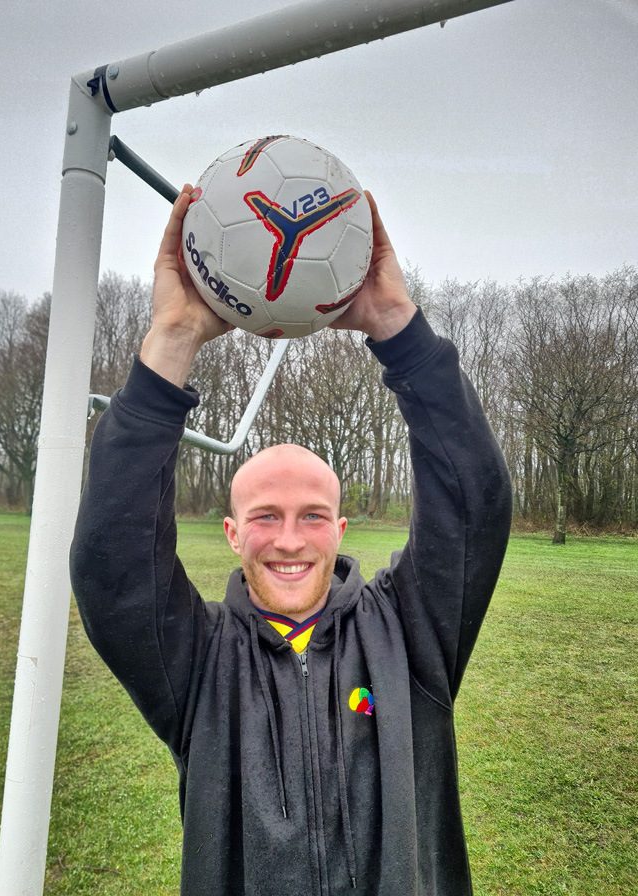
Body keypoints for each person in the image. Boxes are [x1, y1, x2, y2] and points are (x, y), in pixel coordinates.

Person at [70, 185, 512, 896]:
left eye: (312, 516)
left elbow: (474, 505)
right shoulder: (197, 664)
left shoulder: (409, 636)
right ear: (232, 533)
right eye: (266, 516)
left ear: (338, 532)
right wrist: (174, 339)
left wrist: (398, 326)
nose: (289, 540)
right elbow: (111, 567)